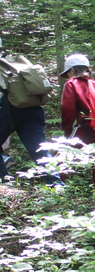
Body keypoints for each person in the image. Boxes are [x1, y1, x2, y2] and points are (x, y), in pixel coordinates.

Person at [0, 55, 62, 185]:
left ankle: (4, 180)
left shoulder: (4, 67)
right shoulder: (14, 62)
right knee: (39, 149)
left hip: (10, 109)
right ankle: (56, 183)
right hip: (34, 109)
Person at [60, 53, 95, 195]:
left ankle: (55, 190)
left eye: (68, 73)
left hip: (86, 128)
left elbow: (68, 108)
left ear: (72, 70)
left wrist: (67, 130)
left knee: (62, 157)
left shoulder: (72, 83)